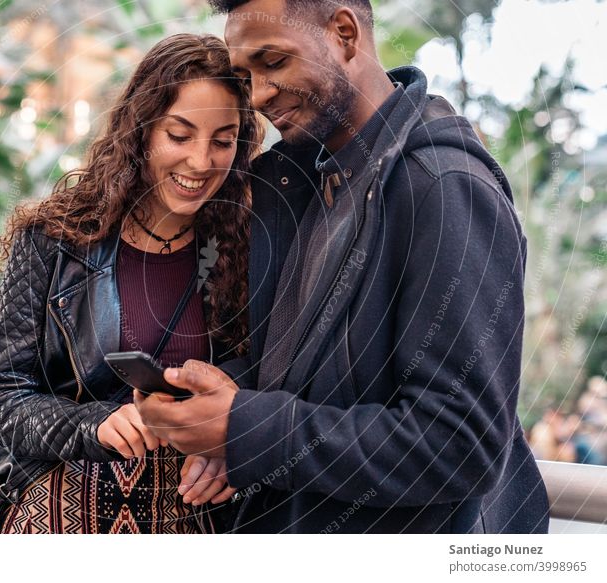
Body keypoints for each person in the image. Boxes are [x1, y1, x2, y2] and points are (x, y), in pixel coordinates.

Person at [136, 0, 551, 533]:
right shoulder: (299, 180)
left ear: (344, 33)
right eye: (246, 76)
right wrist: (219, 397)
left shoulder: (445, 188)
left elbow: (459, 443)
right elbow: (320, 373)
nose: (258, 96)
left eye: (274, 62)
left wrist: (242, 427)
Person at [0, 33, 263, 533]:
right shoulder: (52, 240)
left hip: (196, 522)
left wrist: (236, 440)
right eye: (180, 134)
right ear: (142, 129)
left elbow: (276, 377)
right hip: (59, 520)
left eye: (223, 140)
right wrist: (94, 424)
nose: (201, 161)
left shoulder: (256, 245)